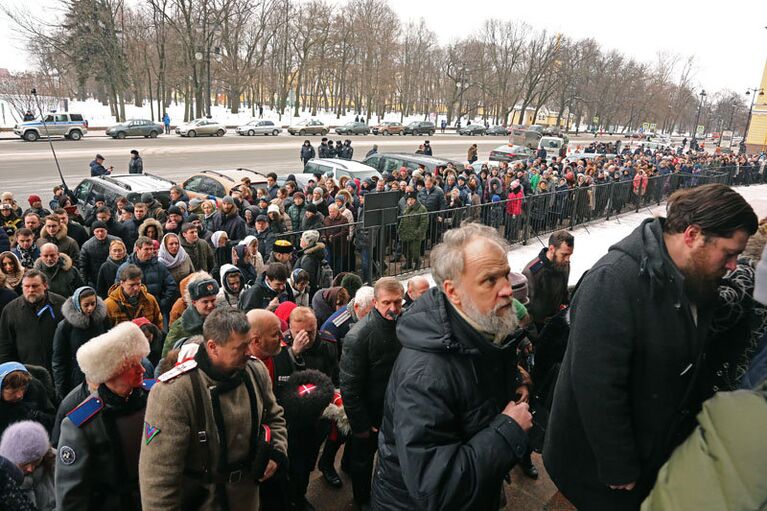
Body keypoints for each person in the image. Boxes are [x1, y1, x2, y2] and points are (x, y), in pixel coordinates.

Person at [543, 184, 758, 509]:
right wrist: (618, 464)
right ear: (692, 235)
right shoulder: (613, 280)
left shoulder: (697, 276)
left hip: (651, 447)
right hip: (598, 467)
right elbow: (597, 385)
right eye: (728, 253)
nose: (733, 265)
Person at [371, 223, 533, 510]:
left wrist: (513, 380)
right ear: (453, 291)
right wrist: (508, 430)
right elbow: (436, 488)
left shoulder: (483, 324)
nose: (507, 289)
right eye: (490, 280)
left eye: (505, 275)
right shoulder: (424, 375)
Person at [139, 308, 288, 511]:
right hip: (202, 501)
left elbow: (274, 416)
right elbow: (159, 475)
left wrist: (277, 451)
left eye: (249, 343)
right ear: (213, 347)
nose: (249, 352)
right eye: (240, 347)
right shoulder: (174, 392)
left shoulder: (255, 370)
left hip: (247, 497)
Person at [55, 321, 151, 510]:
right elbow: (72, 498)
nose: (142, 369)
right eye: (132, 365)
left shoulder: (155, 396)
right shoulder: (80, 424)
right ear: (111, 372)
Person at [339, 277, 404, 509]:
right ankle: (361, 498)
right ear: (375, 301)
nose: (393, 308)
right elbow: (349, 387)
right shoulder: (358, 336)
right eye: (387, 302)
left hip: (393, 410)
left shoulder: (402, 324)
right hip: (369, 413)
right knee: (362, 460)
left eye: (398, 302)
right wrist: (360, 424)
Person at [0, 270, 66, 373]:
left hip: (58, 370)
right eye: (27, 286)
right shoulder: (10, 310)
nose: (31, 290)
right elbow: (5, 345)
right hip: (26, 372)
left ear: (45, 286)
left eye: (35, 286)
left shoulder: (61, 305)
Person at [52, 286, 110, 398]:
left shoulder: (102, 320)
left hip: (101, 373)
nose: (90, 308)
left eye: (93, 304)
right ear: (78, 305)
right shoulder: (65, 326)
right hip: (76, 379)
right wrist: (60, 389)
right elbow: (59, 359)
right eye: (86, 305)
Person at [522, 230, 573, 330]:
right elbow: (525, 309)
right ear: (551, 249)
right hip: (538, 327)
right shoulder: (532, 272)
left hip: (556, 321)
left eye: (570, 255)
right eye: (564, 255)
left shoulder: (564, 265)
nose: (567, 260)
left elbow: (564, 293)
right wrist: (532, 335)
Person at [116, 236, 178, 315]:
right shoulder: (124, 268)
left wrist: (163, 301)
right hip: (133, 311)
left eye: (151, 249)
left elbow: (171, 285)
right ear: (138, 249)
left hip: (156, 309)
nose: (150, 252)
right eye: (146, 249)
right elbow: (118, 289)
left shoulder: (159, 266)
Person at [162, 274, 219, 356]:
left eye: (213, 300)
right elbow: (166, 358)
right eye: (205, 302)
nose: (210, 305)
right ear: (194, 303)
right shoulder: (180, 327)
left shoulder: (221, 320)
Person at [0, 362, 56, 435]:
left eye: (23, 389)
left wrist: (32, 415)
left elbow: (53, 420)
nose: (20, 395)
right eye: (13, 391)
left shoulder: (35, 388)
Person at [104, 264, 163, 330]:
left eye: (138, 284)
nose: (136, 288)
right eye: (131, 285)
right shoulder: (109, 305)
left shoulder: (150, 300)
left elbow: (158, 323)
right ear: (122, 283)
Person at [78, 221, 119, 288]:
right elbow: (83, 267)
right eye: (97, 231)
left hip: (115, 276)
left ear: (106, 231)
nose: (100, 234)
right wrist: (84, 285)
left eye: (102, 231)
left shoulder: (116, 241)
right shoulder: (87, 246)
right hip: (96, 279)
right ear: (93, 232)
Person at [397, 192, 428, 271]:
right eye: (408, 199)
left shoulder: (421, 209)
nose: (410, 201)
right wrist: (400, 229)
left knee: (415, 251)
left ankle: (418, 262)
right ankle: (408, 263)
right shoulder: (406, 207)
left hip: (415, 234)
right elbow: (403, 220)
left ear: (415, 200)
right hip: (406, 233)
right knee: (405, 250)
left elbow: (424, 222)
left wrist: (418, 232)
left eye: (412, 199)